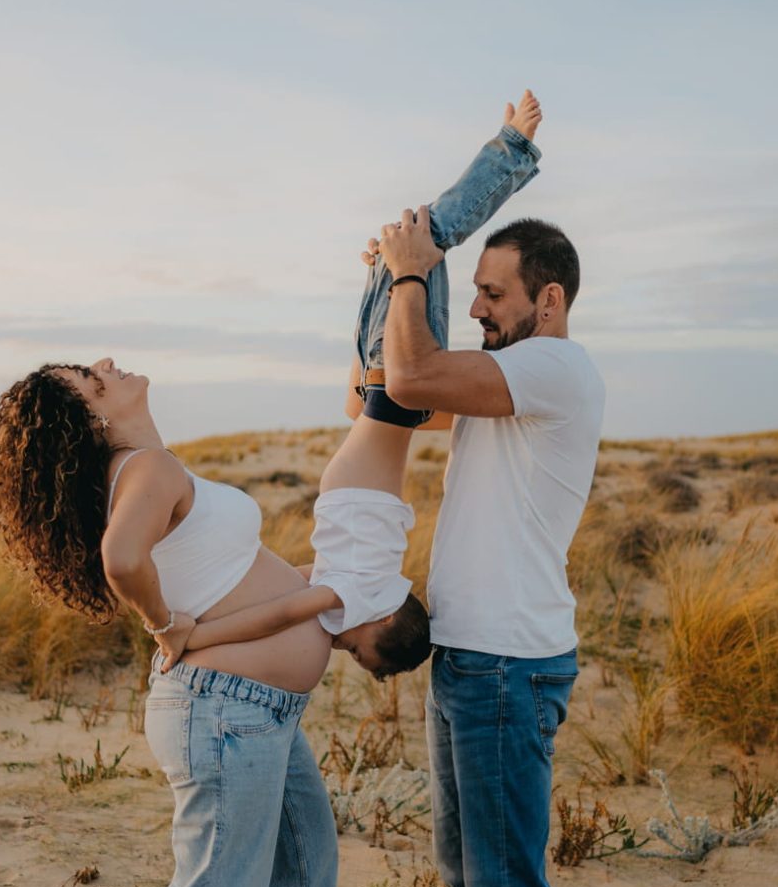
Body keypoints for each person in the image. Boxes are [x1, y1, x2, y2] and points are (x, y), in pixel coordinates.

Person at [0, 358, 335, 887]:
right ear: (90, 418)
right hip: (225, 712)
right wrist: (165, 623)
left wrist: (298, 586)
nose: (107, 365)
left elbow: (211, 571)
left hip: (257, 710)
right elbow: (123, 560)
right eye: (88, 376)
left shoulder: (148, 467)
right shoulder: (146, 468)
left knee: (304, 862)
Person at [155, 92, 545, 681]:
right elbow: (282, 611)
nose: (345, 651)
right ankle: (513, 148)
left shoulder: (357, 582)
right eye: (361, 653)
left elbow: (281, 589)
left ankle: (456, 204)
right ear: (383, 620)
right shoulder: (360, 593)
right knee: (427, 234)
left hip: (375, 398)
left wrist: (199, 607)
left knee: (387, 254)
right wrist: (191, 636)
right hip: (392, 398)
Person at [373, 202, 604, 887]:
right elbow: (388, 391)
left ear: (547, 301)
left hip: (508, 667)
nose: (476, 308)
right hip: (471, 660)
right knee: (469, 880)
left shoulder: (554, 365)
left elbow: (412, 376)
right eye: (472, 292)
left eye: (492, 293)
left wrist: (410, 272)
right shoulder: (507, 373)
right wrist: (389, 288)